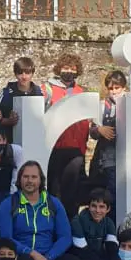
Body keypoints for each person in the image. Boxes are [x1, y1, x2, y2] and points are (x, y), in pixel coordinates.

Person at [0, 161, 74, 260]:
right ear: (19, 179)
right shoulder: (8, 204)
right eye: (25, 177)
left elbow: (65, 237)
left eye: (33, 177)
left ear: (40, 180)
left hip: (49, 255)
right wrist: (32, 254)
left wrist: (48, 257)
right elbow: (6, 238)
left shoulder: (53, 203)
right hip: (22, 255)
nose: (29, 181)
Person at [42, 54, 90, 212]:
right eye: (65, 68)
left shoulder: (81, 91)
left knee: (72, 193)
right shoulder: (47, 89)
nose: (68, 71)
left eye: (72, 68)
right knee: (54, 191)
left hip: (76, 149)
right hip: (54, 147)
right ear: (59, 69)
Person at [86, 70, 127, 211]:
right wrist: (100, 130)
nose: (114, 92)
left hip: (129, 158)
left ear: (124, 88)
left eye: (117, 88)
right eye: (111, 88)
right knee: (109, 195)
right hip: (107, 158)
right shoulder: (102, 105)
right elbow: (92, 131)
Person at [0, 56, 42, 141]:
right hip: (10, 142)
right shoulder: (4, 93)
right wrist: (7, 121)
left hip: (34, 142)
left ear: (33, 73)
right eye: (20, 73)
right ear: (15, 74)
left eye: (27, 73)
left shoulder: (40, 93)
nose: (24, 76)